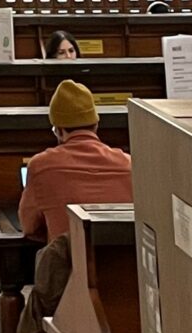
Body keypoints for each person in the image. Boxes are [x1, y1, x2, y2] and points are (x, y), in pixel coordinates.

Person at [17, 80, 133, 245]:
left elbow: (29, 227)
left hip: (70, 266)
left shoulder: (40, 166)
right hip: (122, 266)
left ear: (58, 130)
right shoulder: (128, 164)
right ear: (96, 125)